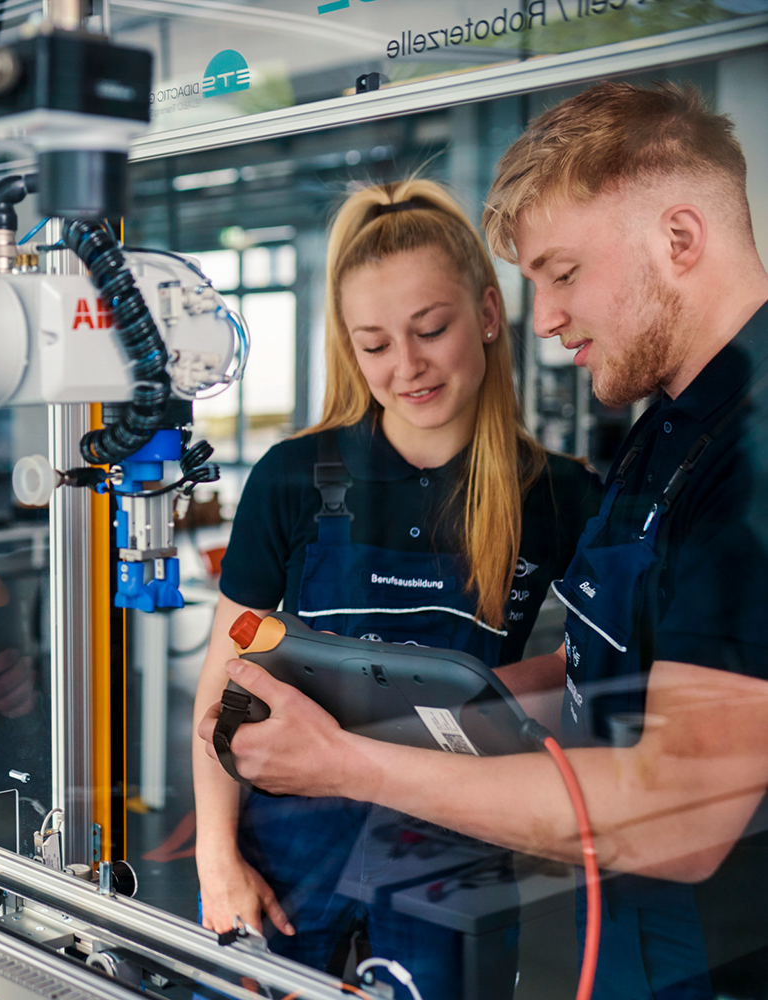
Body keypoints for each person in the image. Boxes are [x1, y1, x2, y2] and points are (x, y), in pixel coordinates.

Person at [200, 82, 768, 999]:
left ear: (679, 238)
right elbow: (612, 660)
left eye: (563, 273)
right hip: (616, 931)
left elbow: (680, 820)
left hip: (705, 953)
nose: (544, 317)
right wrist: (453, 692)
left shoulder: (741, 460)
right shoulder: (661, 435)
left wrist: (353, 756)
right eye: (374, 343)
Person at [191, 177, 604, 999]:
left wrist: (504, 696)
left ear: (489, 315)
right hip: (289, 834)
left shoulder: (558, 497)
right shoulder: (292, 480)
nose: (406, 367)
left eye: (431, 329)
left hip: (452, 841)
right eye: (374, 344)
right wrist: (216, 857)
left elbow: (604, 665)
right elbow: (224, 677)